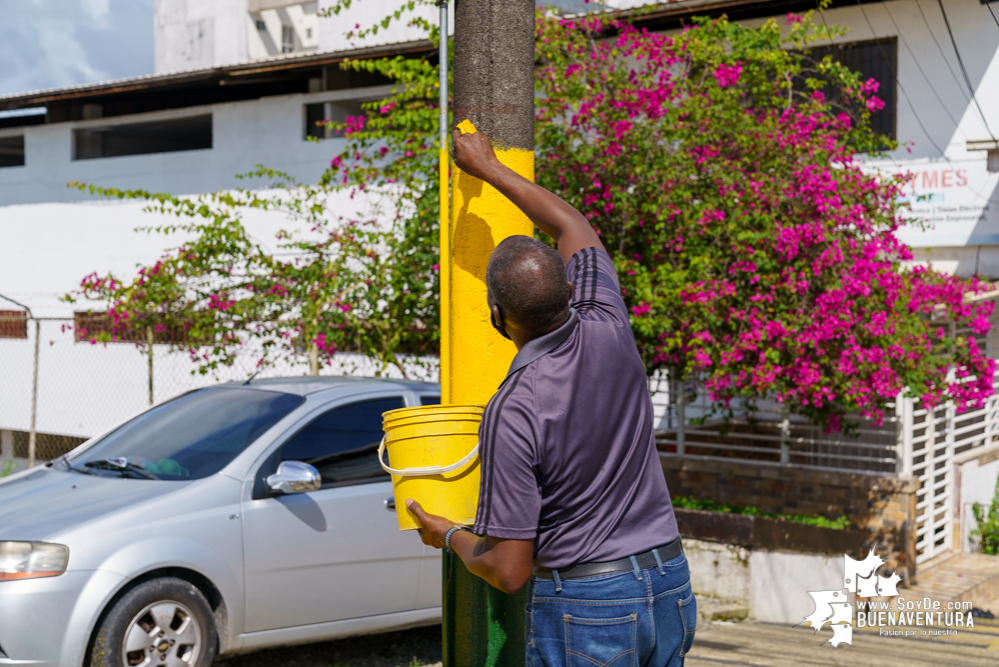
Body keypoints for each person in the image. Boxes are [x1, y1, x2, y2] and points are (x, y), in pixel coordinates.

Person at [407, 129, 696, 666]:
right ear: (571, 288)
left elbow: (509, 570)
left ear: (497, 316)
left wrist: (447, 536)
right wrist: (490, 167)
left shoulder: (514, 409)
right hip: (670, 584)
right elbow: (572, 225)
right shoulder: (608, 320)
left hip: (592, 610)